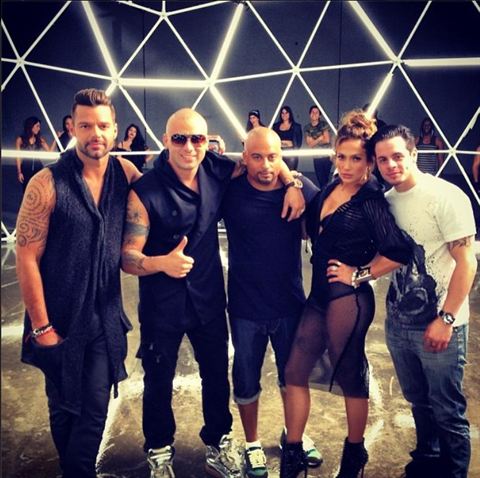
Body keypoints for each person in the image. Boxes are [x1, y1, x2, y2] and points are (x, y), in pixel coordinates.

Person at [120, 108, 305, 478]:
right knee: (158, 380)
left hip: (207, 298)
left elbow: (262, 157)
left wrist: (292, 182)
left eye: (197, 138)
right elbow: (128, 257)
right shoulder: (146, 190)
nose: (189, 147)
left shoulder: (217, 170)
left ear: (207, 141)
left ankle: (219, 442)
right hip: (161, 304)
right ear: (165, 140)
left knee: (217, 376)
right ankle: (159, 451)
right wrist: (161, 263)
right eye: (179, 138)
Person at [16, 88, 141, 477]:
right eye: (86, 126)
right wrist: (42, 328)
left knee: (94, 407)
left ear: (115, 129)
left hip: (104, 318)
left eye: (103, 126)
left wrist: (290, 180)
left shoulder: (125, 174)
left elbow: (171, 183)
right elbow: (26, 257)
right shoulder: (46, 182)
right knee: (63, 406)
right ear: (73, 128)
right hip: (56, 318)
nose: (95, 134)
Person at [280, 110, 412, 478]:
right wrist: (292, 181)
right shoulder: (330, 188)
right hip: (319, 295)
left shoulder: (370, 200)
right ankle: (293, 452)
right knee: (294, 371)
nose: (347, 165)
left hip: (348, 300)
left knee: (351, 374)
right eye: (341, 157)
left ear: (369, 162)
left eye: (356, 159)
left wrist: (360, 274)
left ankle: (354, 454)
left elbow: (398, 251)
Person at [371, 125, 477, 478]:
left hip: (442, 324)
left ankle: (454, 472)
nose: (391, 165)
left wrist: (446, 319)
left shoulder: (445, 196)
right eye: (383, 159)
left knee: (447, 410)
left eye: (398, 156)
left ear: (414, 154)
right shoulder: (386, 202)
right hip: (399, 324)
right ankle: (427, 462)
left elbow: (467, 262)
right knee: (419, 402)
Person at [222, 127, 322, 478]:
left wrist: (292, 183)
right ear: (244, 157)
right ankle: (252, 443)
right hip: (245, 307)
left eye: (272, 157)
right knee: (246, 379)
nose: (265, 165)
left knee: (292, 377)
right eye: (257, 157)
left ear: (282, 157)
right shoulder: (230, 191)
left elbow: (332, 220)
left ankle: (294, 435)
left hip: (289, 304)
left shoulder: (301, 188)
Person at [15, 116, 50, 192]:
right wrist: (19, 172)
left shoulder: (40, 139)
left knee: (39, 190)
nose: (39, 129)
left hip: (38, 168)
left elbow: (49, 151)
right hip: (26, 169)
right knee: (27, 190)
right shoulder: (20, 140)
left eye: (39, 126)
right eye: (37, 126)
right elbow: (18, 157)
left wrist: (56, 139)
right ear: (31, 126)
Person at [304, 105, 333, 189]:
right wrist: (320, 138)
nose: (314, 114)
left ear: (319, 115)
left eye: (316, 112)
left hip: (326, 155)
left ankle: (325, 195)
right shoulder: (307, 127)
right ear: (309, 114)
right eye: (312, 112)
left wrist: (314, 140)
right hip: (316, 156)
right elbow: (310, 144)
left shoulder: (324, 124)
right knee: (321, 179)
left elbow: (327, 140)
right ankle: (324, 194)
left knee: (325, 180)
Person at [272, 105, 303, 170]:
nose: (284, 115)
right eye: (282, 113)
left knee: (290, 172)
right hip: (279, 152)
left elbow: (299, 142)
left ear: (290, 114)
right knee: (279, 171)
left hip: (290, 153)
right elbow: (273, 139)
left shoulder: (296, 126)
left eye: (286, 113)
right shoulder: (276, 126)